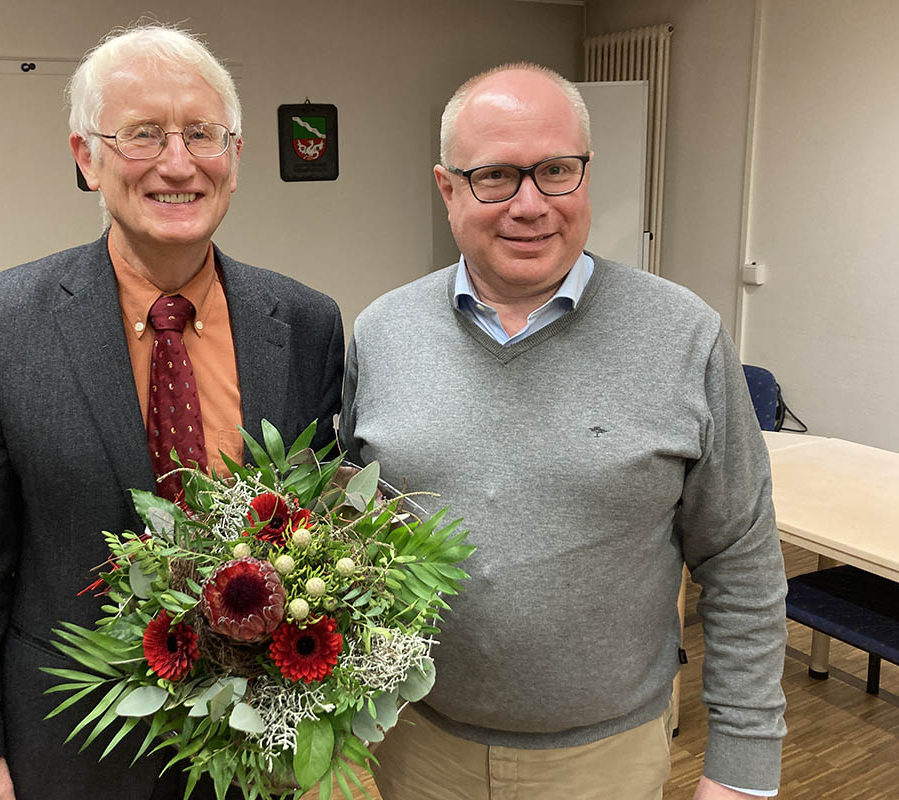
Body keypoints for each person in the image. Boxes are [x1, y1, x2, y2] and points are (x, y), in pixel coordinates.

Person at [340, 63, 786, 800]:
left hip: (605, 759)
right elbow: (347, 538)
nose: (530, 204)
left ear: (585, 177)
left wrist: (743, 768)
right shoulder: (383, 333)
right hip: (415, 746)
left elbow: (740, 559)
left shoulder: (685, 336)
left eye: (555, 171)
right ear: (448, 188)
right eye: (494, 177)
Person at [0, 23, 344, 800]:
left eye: (202, 134)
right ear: (87, 157)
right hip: (74, 736)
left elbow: (317, 540)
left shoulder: (307, 322)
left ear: (237, 155)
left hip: (257, 741)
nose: (177, 162)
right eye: (143, 135)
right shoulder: (1, 322)